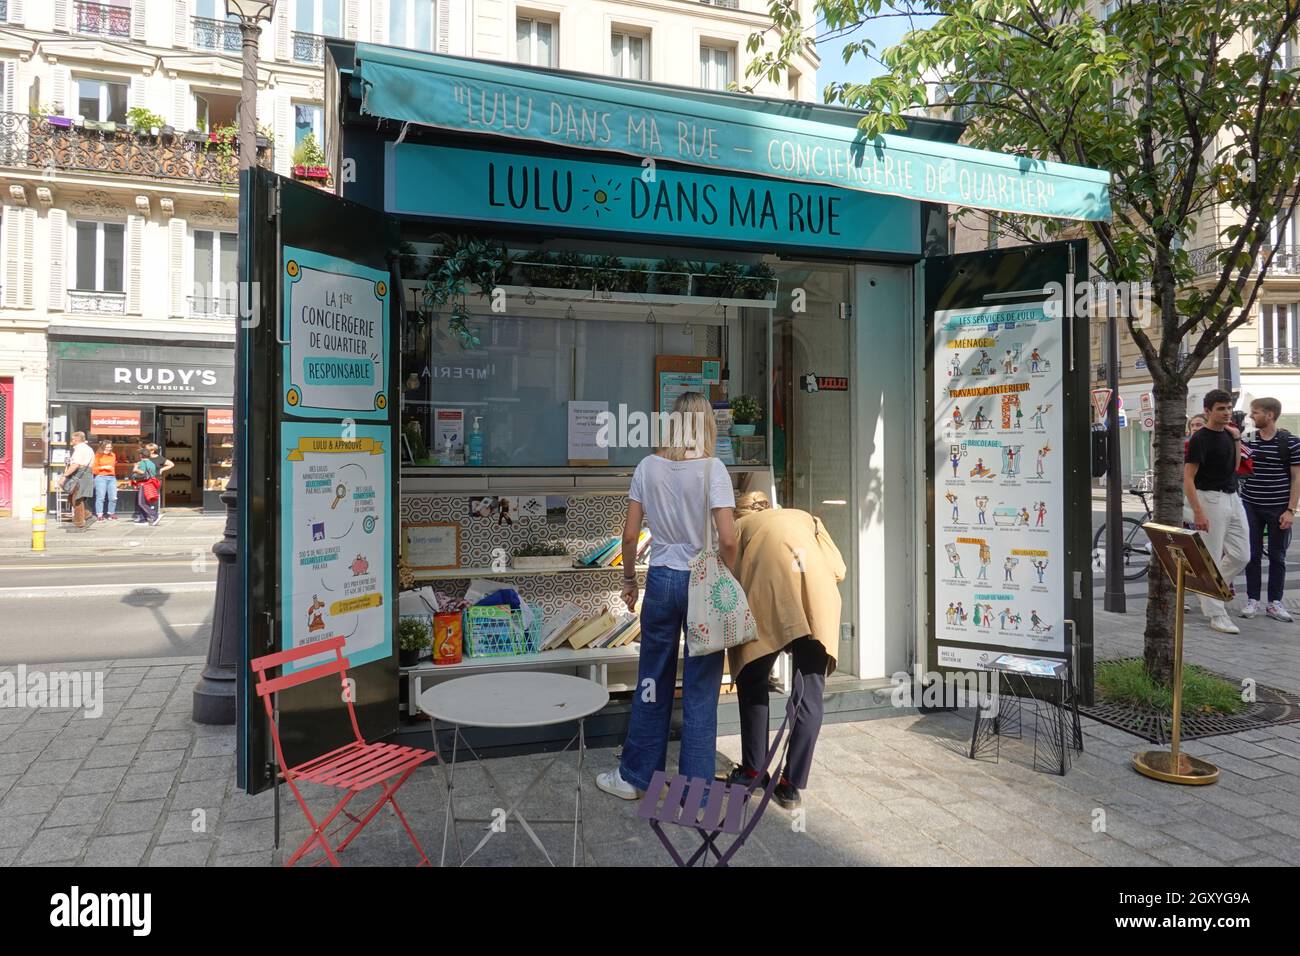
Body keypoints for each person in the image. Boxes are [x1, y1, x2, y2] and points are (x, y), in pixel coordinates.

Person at [596, 391, 737, 801]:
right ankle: (697, 796)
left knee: (651, 681)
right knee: (700, 688)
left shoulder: (647, 467)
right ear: (707, 424)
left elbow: (628, 535)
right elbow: (728, 538)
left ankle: (635, 778)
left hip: (660, 579)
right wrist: (727, 575)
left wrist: (628, 580)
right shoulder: (714, 470)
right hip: (701, 583)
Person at [715, 491, 845, 810]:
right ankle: (789, 786)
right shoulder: (807, 519)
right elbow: (838, 569)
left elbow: (725, 578)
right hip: (817, 602)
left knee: (752, 680)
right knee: (808, 694)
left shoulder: (740, 528)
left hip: (769, 604)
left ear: (739, 513)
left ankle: (754, 770)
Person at [1185, 389, 1250, 633]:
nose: (1226, 413)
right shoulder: (1199, 439)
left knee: (1242, 555)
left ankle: (1207, 589)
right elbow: (1188, 478)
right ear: (1208, 411)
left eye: (1229, 408)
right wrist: (1198, 512)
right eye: (1221, 408)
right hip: (1210, 498)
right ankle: (1216, 613)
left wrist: (1236, 439)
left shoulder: (1229, 434)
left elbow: (1233, 468)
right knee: (1210, 555)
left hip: (1233, 497)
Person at [1239, 397, 1300, 622]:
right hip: (1250, 504)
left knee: (1277, 556)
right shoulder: (1248, 440)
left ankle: (1275, 603)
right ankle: (1252, 600)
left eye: (1255, 413)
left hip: (1278, 507)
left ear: (1270, 415)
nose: (1251, 416)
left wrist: (1291, 510)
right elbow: (1237, 465)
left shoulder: (1291, 443)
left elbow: (1297, 478)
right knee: (1251, 555)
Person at [60, 431, 96, 531]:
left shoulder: (80, 449)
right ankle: (88, 515)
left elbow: (76, 464)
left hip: (80, 475)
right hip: (85, 474)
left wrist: (64, 476)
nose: (71, 441)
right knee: (72, 498)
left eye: (72, 439)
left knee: (77, 499)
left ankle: (79, 524)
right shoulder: (87, 448)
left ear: (75, 440)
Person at [144, 443, 174, 522]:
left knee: (153, 497)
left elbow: (171, 464)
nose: (145, 451)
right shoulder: (145, 458)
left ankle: (154, 515)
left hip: (156, 480)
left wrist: (161, 470)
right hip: (146, 480)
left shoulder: (159, 458)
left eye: (147, 449)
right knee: (146, 497)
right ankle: (149, 514)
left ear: (152, 450)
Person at [130, 450, 161, 526]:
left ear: (141, 455)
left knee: (142, 502)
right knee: (146, 502)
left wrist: (135, 468)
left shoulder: (142, 463)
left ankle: (154, 515)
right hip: (151, 483)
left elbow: (142, 472)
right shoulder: (152, 463)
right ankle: (143, 519)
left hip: (144, 484)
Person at [92, 441, 118, 520]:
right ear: (102, 447)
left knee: (113, 497)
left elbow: (113, 465)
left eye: (110, 447)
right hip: (100, 477)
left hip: (112, 477)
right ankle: (100, 515)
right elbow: (93, 469)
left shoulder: (113, 455)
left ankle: (111, 513)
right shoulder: (98, 456)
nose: (109, 449)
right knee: (101, 497)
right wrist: (103, 467)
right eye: (107, 447)